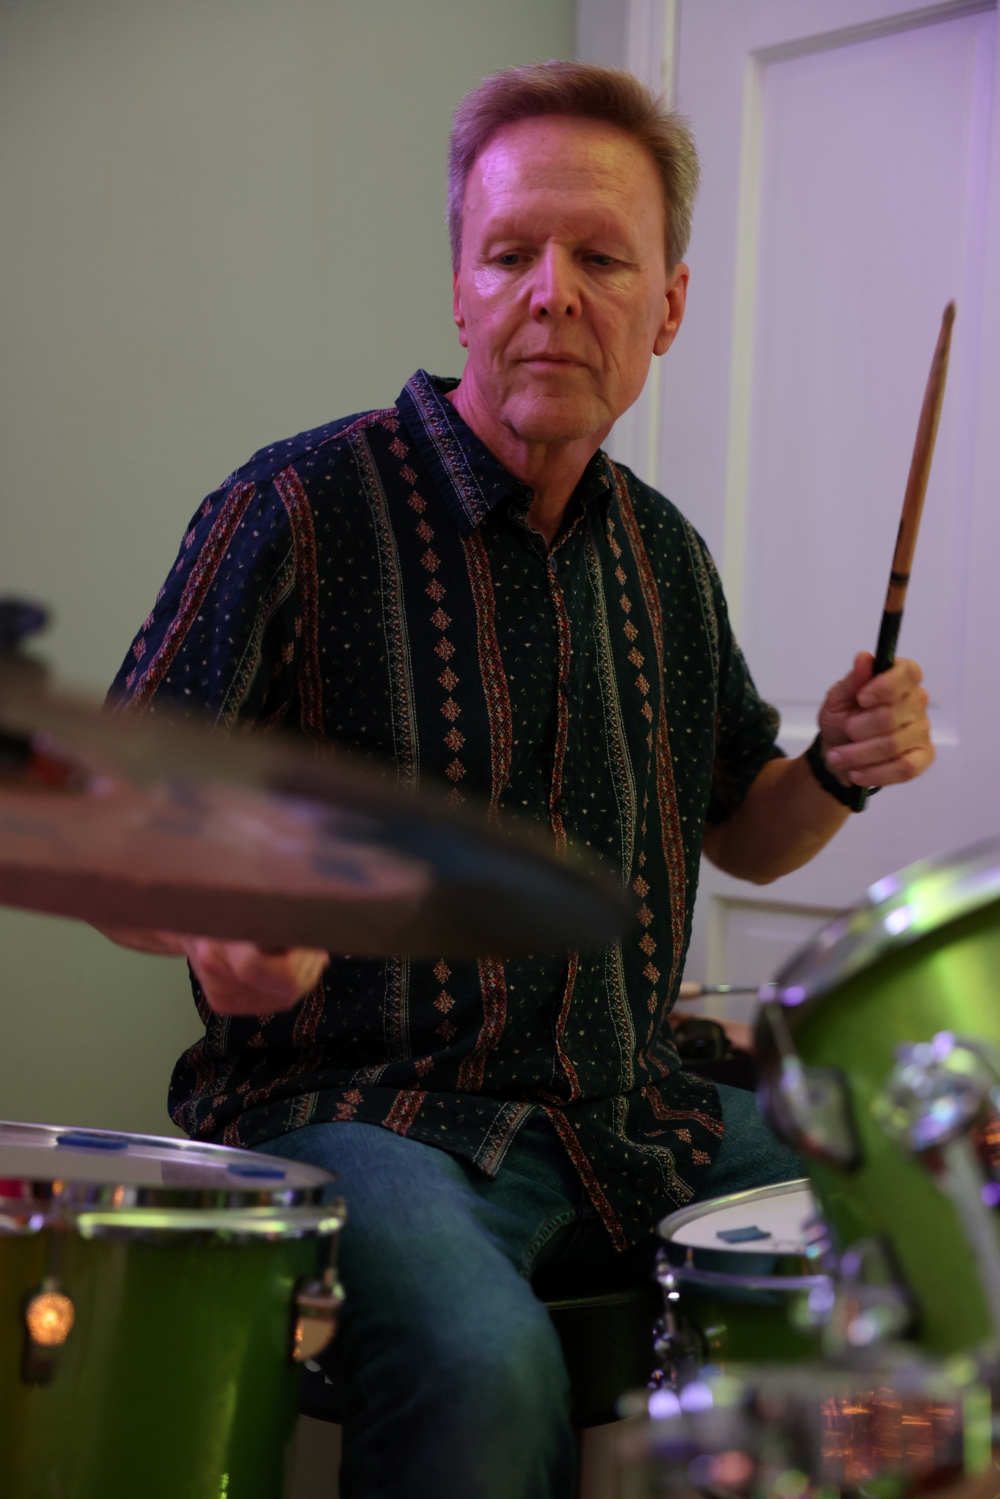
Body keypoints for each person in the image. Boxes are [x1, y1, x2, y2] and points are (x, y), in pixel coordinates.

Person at [102, 63, 933, 1499]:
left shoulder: (664, 556)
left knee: (936, 1241)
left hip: (634, 1112)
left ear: (668, 305)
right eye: (510, 255)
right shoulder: (293, 509)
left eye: (602, 258)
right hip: (363, 1111)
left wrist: (837, 769)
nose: (552, 294)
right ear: (461, 288)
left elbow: (747, 828)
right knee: (484, 1365)